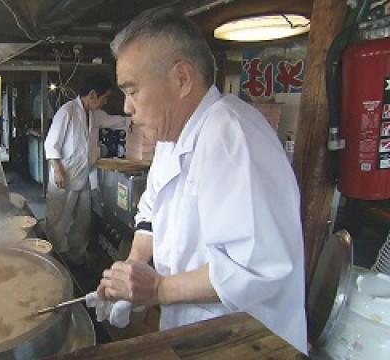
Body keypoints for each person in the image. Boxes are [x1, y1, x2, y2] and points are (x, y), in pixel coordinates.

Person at [96, 7, 308, 354]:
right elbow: (151, 211)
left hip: (251, 341)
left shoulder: (233, 137)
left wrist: (158, 289)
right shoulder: (171, 137)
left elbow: (258, 267)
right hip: (197, 332)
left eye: (132, 90)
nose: (127, 107)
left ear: (181, 78)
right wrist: (131, 268)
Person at [45, 74, 129, 264]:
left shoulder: (94, 114)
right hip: (64, 178)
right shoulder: (67, 111)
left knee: (82, 222)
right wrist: (57, 168)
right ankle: (55, 259)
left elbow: (114, 121)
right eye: (104, 97)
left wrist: (135, 120)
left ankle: (76, 255)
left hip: (83, 178)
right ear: (92, 95)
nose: (105, 101)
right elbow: (51, 144)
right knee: (58, 222)